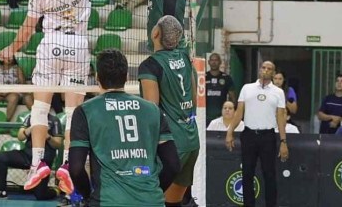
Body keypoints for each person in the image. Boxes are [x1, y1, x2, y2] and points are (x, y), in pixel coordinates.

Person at [0, 0, 122, 193]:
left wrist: (9, 49)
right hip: (78, 45)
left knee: (40, 108)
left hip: (50, 45)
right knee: (72, 112)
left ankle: (37, 163)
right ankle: (66, 164)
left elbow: (26, 33)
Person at [69, 49, 180, 206]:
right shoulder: (153, 110)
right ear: (127, 77)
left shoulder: (85, 111)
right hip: (151, 201)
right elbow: (173, 165)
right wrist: (151, 192)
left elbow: (76, 168)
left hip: (107, 201)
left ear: (97, 78)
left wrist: (88, 196)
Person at [138, 15, 199, 207]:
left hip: (170, 144)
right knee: (173, 202)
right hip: (191, 139)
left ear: (155, 33)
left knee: (149, 199)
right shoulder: (185, 58)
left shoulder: (150, 65)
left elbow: (151, 109)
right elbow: (194, 100)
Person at [226, 60, 288, 207]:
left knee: (269, 175)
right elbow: (239, 112)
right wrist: (230, 132)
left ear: (273, 73)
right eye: (263, 67)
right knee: (247, 174)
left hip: (268, 136)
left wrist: (283, 142)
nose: (265, 70)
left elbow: (280, 117)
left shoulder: (278, 92)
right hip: (249, 135)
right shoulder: (247, 88)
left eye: (269, 68)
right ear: (259, 69)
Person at [0, 112, 62, 200]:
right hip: (27, 155)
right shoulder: (31, 117)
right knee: (2, 157)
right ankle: (1, 191)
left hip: (43, 160)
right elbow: (20, 136)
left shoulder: (54, 120)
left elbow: (58, 144)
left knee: (40, 195)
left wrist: (47, 136)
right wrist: (31, 128)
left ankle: (56, 190)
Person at [0, 56, 32, 121]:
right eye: (6, 57)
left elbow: (23, 84)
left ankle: (6, 121)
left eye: (10, 57)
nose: (9, 59)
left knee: (14, 97)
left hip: (11, 93)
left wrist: (10, 89)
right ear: (2, 58)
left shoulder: (17, 69)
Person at [205, 53, 236, 126]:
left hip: (221, 117)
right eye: (212, 60)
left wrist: (230, 113)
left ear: (220, 62)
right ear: (208, 62)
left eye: (216, 60)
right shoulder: (203, 77)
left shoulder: (226, 78)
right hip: (205, 117)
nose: (214, 62)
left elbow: (233, 98)